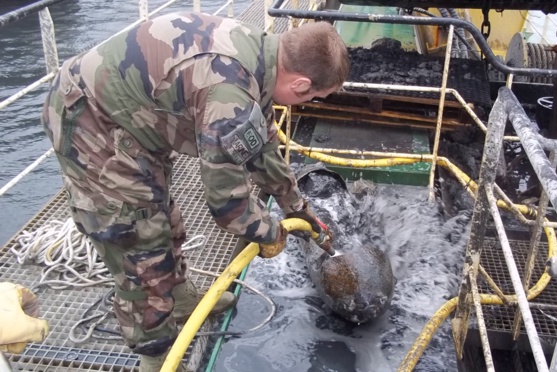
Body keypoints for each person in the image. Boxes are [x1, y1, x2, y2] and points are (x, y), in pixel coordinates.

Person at [41, 11, 349, 371]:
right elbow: (227, 204)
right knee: (141, 247)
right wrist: (269, 232)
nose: (308, 104)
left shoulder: (260, 56)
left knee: (162, 215)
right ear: (299, 85)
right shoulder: (228, 91)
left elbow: (260, 147)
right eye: (314, 98)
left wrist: (296, 207)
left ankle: (181, 299)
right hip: (92, 123)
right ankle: (156, 358)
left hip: (133, 118)